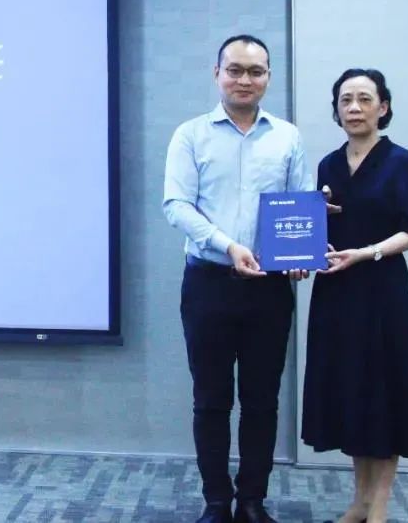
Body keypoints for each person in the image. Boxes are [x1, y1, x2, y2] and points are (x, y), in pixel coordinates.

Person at [164, 34, 314, 523]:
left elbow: (301, 203)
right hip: (208, 283)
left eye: (255, 71)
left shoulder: (287, 137)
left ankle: (252, 501)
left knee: (262, 401)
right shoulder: (191, 135)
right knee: (210, 400)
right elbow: (176, 205)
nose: (244, 80)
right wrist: (228, 245)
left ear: (268, 77)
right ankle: (216, 502)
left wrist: (300, 253)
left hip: (269, 290)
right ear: (217, 74)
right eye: (235, 70)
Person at [302, 68, 408, 523]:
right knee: (351, 391)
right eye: (345, 100)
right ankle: (359, 501)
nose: (354, 108)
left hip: (381, 290)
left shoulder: (401, 162)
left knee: (384, 392)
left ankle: (379, 505)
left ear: (383, 107)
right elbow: (316, 230)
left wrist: (367, 252)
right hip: (336, 290)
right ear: (336, 110)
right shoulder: (328, 165)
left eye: (364, 98)